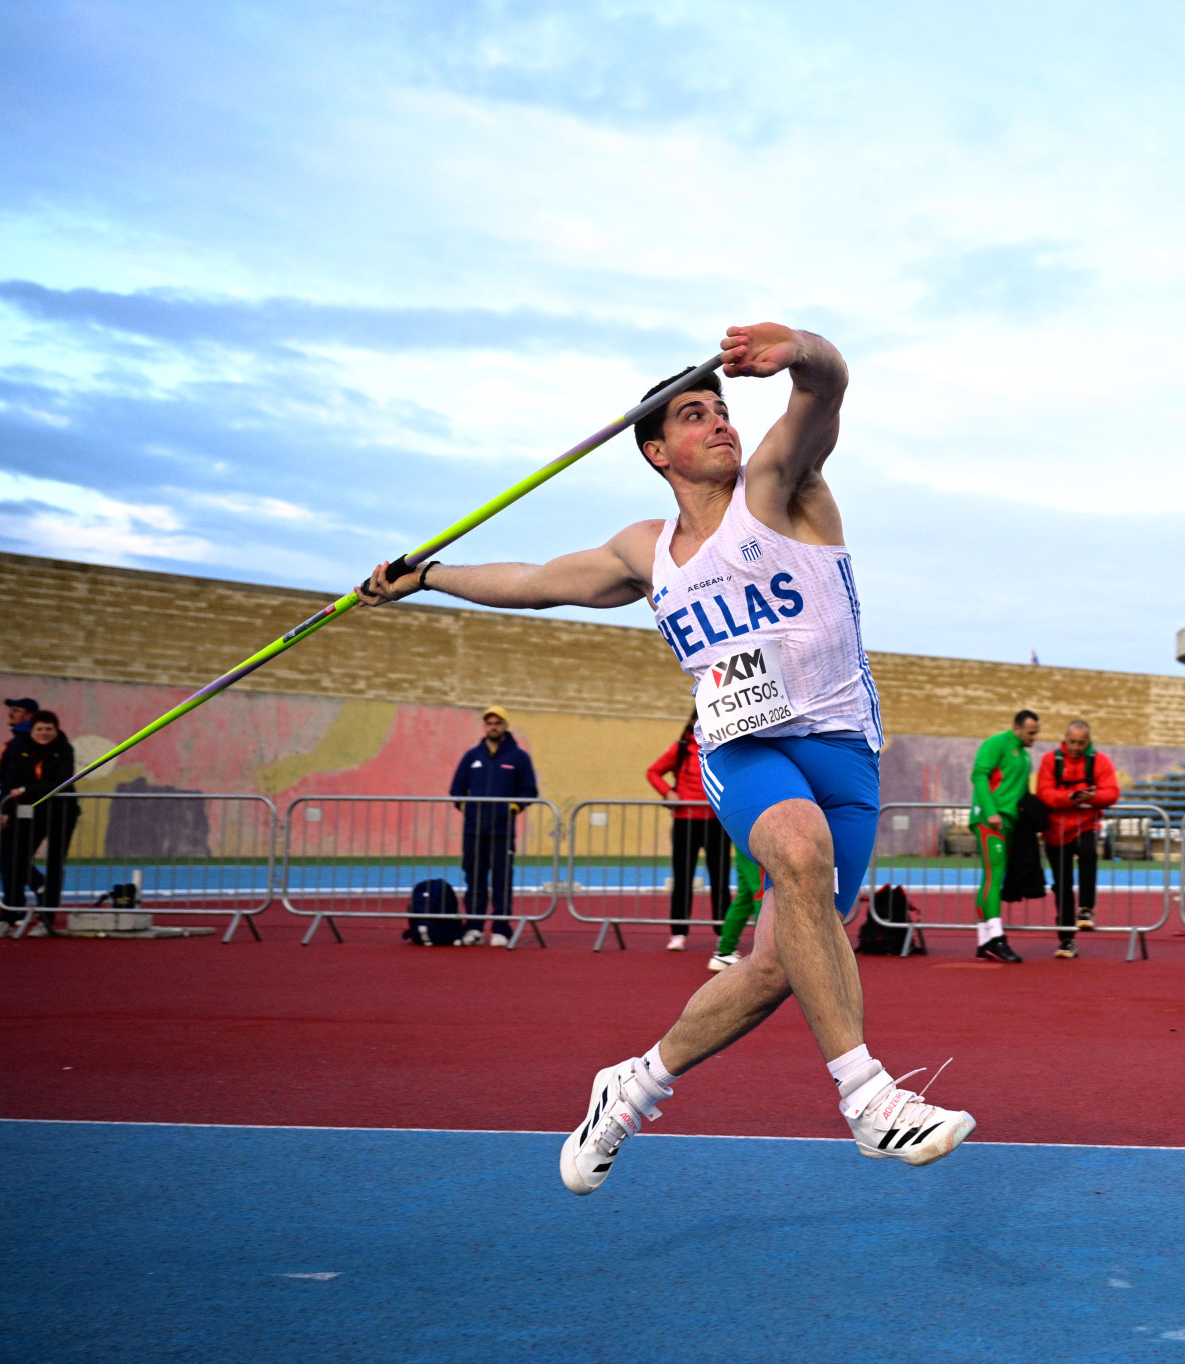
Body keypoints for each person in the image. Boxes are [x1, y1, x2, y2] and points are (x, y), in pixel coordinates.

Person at [359, 322, 974, 1185]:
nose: (720, 421)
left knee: (777, 968)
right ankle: (868, 1098)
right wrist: (426, 577)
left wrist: (797, 347)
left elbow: (827, 388)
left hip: (844, 752)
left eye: (722, 408)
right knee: (798, 853)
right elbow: (534, 584)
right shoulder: (644, 554)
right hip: (744, 748)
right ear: (656, 449)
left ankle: (632, 1086)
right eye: (694, 415)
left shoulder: (779, 488)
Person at [450, 705, 539, 947]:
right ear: (484, 726)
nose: (494, 726)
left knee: (502, 881)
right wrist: (467, 808)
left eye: (498, 723)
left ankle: (501, 928)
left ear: (505, 725)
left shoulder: (519, 757)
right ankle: (474, 928)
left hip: (502, 832)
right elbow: (457, 790)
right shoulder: (472, 757)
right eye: (489, 723)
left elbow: (529, 791)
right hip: (474, 831)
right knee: (474, 880)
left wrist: (512, 808)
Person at [1036, 720, 1119, 959]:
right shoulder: (1051, 760)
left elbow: (1112, 792)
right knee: (1062, 886)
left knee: (1089, 853)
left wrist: (1092, 797)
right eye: (1072, 742)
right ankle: (1066, 940)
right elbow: (1044, 793)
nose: (1076, 747)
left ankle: (1085, 909)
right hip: (1056, 830)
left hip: (1086, 824)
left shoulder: (1100, 760)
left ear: (1089, 741)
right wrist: (1068, 798)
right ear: (1065, 738)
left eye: (1082, 743)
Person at [646, 716, 731, 950]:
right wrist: (667, 793)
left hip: (717, 823)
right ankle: (678, 933)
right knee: (682, 877)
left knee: (720, 879)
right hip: (685, 822)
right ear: (694, 721)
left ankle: (724, 933)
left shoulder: (724, 748)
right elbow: (653, 772)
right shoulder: (680, 749)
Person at [0, 710, 78, 937]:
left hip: (61, 813)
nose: (44, 733)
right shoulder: (19, 748)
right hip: (28, 812)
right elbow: (9, 780)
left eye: (49, 729)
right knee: (14, 862)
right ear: (31, 730)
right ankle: (10, 916)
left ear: (56, 730)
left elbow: (61, 781)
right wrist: (5, 808)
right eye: (39, 729)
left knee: (55, 865)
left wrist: (27, 789)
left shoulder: (64, 749)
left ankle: (46, 919)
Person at [968, 710, 1039, 963]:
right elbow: (979, 775)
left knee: (990, 877)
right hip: (991, 820)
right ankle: (997, 938)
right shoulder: (997, 743)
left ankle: (984, 940)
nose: (1035, 737)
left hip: (1009, 822)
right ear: (1017, 728)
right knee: (994, 876)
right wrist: (991, 812)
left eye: (1036, 732)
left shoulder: (1026, 758)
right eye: (1031, 732)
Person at [707, 844, 766, 972]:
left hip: (745, 842)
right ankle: (765, 954)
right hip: (757, 842)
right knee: (761, 895)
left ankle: (724, 952)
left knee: (746, 898)